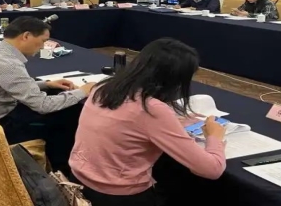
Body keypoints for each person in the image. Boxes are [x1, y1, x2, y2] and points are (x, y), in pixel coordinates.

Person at [70, 39, 226, 206]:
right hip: (120, 196)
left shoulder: (103, 88)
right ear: (174, 80)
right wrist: (214, 137)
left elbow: (127, 125)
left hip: (78, 182)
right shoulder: (152, 109)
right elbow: (211, 169)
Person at [0, 16, 96, 174]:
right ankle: (61, 171)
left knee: (54, 102)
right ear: (26, 36)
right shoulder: (8, 63)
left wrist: (46, 84)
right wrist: (83, 91)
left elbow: (5, 85)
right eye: (43, 41)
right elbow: (43, 105)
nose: (43, 46)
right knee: (67, 116)